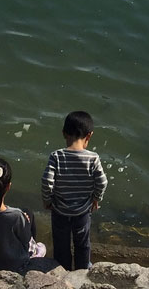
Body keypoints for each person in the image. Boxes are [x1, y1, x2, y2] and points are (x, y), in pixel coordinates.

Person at [41, 110, 108, 270]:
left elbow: (46, 180)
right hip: (82, 211)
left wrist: (47, 200)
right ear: (89, 135)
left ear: (64, 133)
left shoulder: (56, 156)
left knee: (61, 243)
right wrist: (96, 198)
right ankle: (82, 269)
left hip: (60, 211)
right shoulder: (93, 158)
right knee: (83, 243)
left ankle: (62, 270)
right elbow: (102, 181)